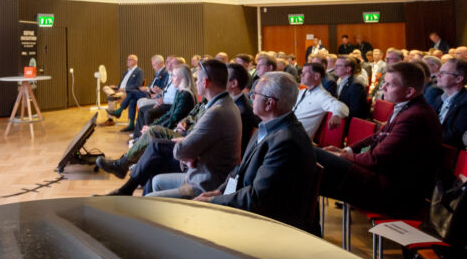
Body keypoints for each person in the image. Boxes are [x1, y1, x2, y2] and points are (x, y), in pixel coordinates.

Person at [195, 72, 318, 232]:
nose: (251, 97)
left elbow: (258, 198)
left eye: (255, 94)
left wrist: (214, 202)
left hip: (273, 225)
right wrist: (220, 191)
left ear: (269, 103)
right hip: (255, 212)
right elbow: (240, 170)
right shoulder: (267, 127)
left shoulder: (287, 142)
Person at [315, 62, 442, 214]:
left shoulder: (415, 116)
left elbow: (377, 159)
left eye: (389, 85)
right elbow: (377, 136)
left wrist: (344, 156)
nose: (383, 88)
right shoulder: (407, 107)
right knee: (312, 169)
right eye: (384, 83)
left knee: (315, 157)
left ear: (409, 91)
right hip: (383, 178)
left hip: (395, 191)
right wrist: (347, 149)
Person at [144, 59, 242, 198]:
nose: (195, 82)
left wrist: (186, 149)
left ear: (205, 82)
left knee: (149, 198)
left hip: (206, 183)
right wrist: (188, 151)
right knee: (156, 180)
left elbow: (181, 151)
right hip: (202, 174)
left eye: (197, 80)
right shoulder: (226, 104)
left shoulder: (216, 112)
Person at [96, 64, 198, 178]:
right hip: (175, 128)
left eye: (174, 76)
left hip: (178, 132)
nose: (172, 78)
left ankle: (122, 164)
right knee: (149, 131)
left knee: (150, 133)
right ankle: (124, 164)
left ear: (182, 78)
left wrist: (152, 128)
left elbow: (173, 119)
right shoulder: (181, 92)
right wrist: (152, 125)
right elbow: (170, 115)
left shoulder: (186, 95)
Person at [293, 61, 348, 140]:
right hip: (288, 131)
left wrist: (337, 114)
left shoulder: (321, 96)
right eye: (302, 72)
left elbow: (342, 106)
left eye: (305, 73)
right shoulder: (302, 92)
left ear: (316, 76)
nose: (301, 75)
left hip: (298, 139)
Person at [427, 58, 467, 149]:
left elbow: (454, 136)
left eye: (443, 73)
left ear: (458, 79)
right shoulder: (440, 98)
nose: (438, 75)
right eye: (439, 72)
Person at [105, 54, 144, 131]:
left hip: (127, 92)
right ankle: (113, 94)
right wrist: (116, 87)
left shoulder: (139, 71)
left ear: (135, 61)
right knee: (106, 87)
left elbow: (138, 85)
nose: (127, 61)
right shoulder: (126, 71)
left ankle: (112, 117)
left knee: (113, 98)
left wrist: (125, 89)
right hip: (120, 91)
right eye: (127, 59)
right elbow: (122, 84)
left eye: (129, 59)